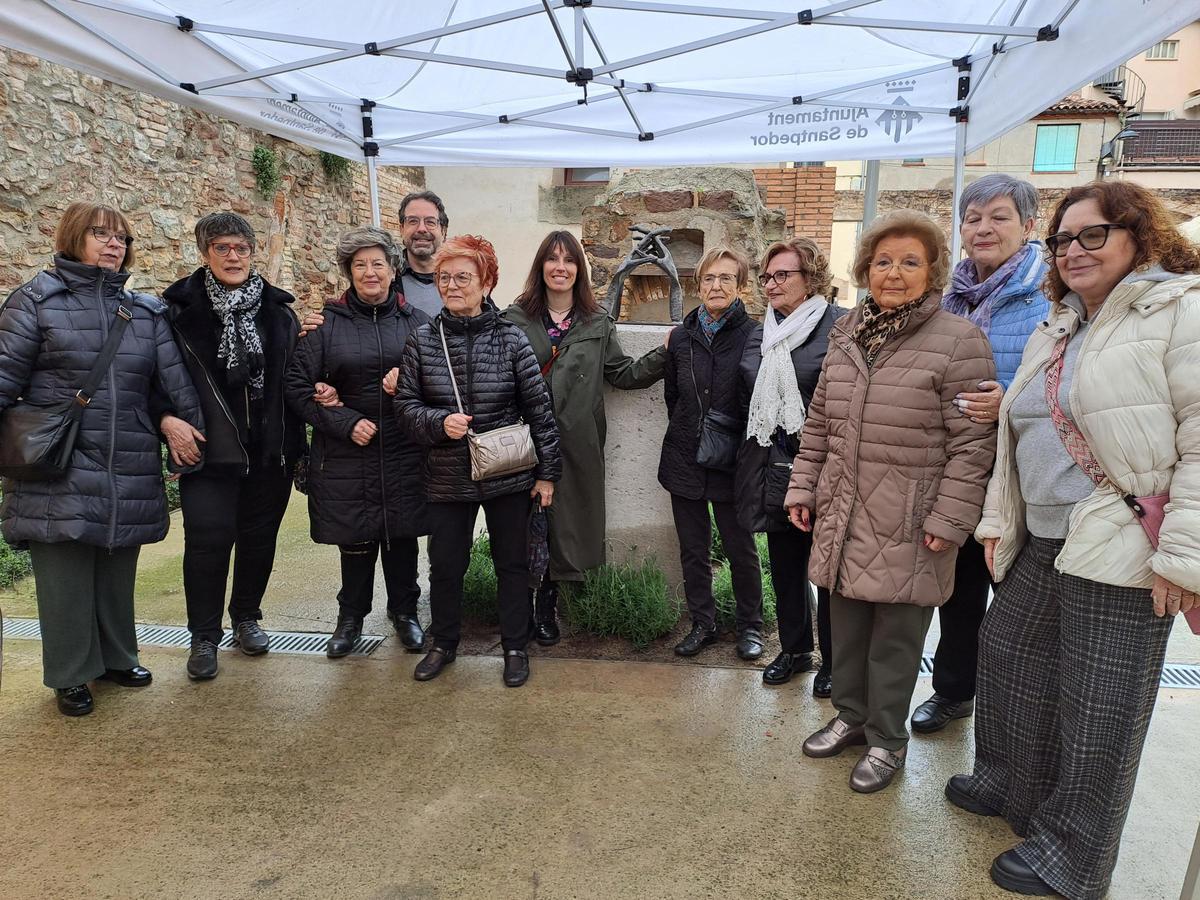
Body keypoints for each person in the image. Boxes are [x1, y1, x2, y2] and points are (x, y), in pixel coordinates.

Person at [950, 180, 1200, 898]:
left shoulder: (1178, 309)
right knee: (1009, 655)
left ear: (1140, 235)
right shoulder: (1062, 323)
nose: (1074, 250)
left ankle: (1076, 858)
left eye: (1095, 234)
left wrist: (1184, 558)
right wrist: (999, 522)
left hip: (1123, 540)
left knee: (1100, 706)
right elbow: (1018, 429)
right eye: (1063, 239)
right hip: (1048, 534)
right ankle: (1014, 785)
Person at [785, 210, 996, 793]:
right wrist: (803, 487)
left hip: (912, 519)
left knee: (896, 640)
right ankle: (851, 716)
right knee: (845, 628)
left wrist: (950, 519)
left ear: (933, 272)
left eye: (909, 262)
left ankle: (887, 739)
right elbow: (820, 424)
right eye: (882, 262)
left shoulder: (959, 341)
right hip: (843, 511)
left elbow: (972, 444)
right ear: (865, 270)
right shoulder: (848, 333)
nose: (894, 273)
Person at [0, 201, 203, 715]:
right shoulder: (35, 302)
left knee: (117, 561)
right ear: (74, 237)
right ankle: (71, 673)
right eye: (101, 234)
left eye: (122, 238)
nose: (115, 244)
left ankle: (117, 657)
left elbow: (170, 384)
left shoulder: (144, 312)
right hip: (58, 460)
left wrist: (178, 425)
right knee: (65, 570)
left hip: (126, 458)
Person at [911, 174, 1051, 734]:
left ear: (1028, 225)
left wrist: (1008, 399)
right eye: (973, 218)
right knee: (959, 588)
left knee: (1017, 604)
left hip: (1020, 472)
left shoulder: (1050, 295)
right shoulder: (947, 298)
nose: (983, 228)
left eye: (999, 216)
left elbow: (1072, 378)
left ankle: (1015, 715)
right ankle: (953, 691)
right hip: (957, 467)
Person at [394, 235, 562, 687]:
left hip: (507, 473)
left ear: (486, 283)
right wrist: (438, 422)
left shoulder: (512, 340)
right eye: (444, 277)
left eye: (462, 277)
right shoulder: (423, 341)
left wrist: (547, 474)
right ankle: (444, 643)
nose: (451, 285)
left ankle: (515, 647)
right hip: (446, 476)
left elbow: (539, 411)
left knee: (513, 564)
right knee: (446, 565)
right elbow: (404, 406)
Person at [500, 230, 667, 644]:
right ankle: (519, 608)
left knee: (566, 526)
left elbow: (622, 374)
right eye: (552, 259)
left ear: (580, 269)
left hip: (577, 443)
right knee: (522, 524)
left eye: (569, 260)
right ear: (541, 266)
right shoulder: (514, 319)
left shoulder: (597, 322)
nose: (560, 267)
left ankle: (548, 608)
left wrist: (666, 352)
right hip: (523, 440)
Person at [161, 212, 307, 681]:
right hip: (209, 452)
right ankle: (204, 637)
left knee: (259, 541)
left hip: (269, 451)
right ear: (204, 253)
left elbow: (295, 376)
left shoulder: (279, 312)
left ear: (252, 253)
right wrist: (165, 420)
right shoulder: (177, 312)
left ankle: (247, 617)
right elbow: (154, 376)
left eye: (241, 248)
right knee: (207, 543)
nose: (233, 257)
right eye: (221, 248)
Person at [285, 227, 431, 657]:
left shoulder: (418, 324)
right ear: (349, 272)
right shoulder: (325, 325)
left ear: (393, 270)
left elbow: (441, 383)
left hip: (404, 450)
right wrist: (344, 421)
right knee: (356, 540)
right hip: (347, 452)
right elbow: (296, 387)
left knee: (402, 537)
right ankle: (350, 619)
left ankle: (405, 613)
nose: (370, 272)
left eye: (378, 264)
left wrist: (408, 382)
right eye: (360, 265)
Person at [737, 237, 846, 696]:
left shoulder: (840, 326)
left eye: (783, 275)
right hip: (771, 464)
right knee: (784, 565)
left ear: (811, 277)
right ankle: (796, 649)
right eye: (767, 276)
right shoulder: (760, 331)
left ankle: (835, 661)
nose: (771, 284)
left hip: (823, 465)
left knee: (827, 569)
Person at [660, 247, 763, 660]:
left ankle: (750, 626)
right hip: (684, 457)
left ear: (741, 286)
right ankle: (702, 623)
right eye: (708, 278)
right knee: (693, 549)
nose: (716, 286)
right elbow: (673, 396)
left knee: (740, 549)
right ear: (698, 285)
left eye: (725, 278)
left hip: (733, 461)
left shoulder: (755, 335)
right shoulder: (680, 337)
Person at [396, 191, 449, 318]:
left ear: (443, 231)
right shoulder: (388, 279)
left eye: (430, 222)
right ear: (402, 229)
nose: (421, 229)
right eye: (413, 221)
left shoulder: (464, 277)